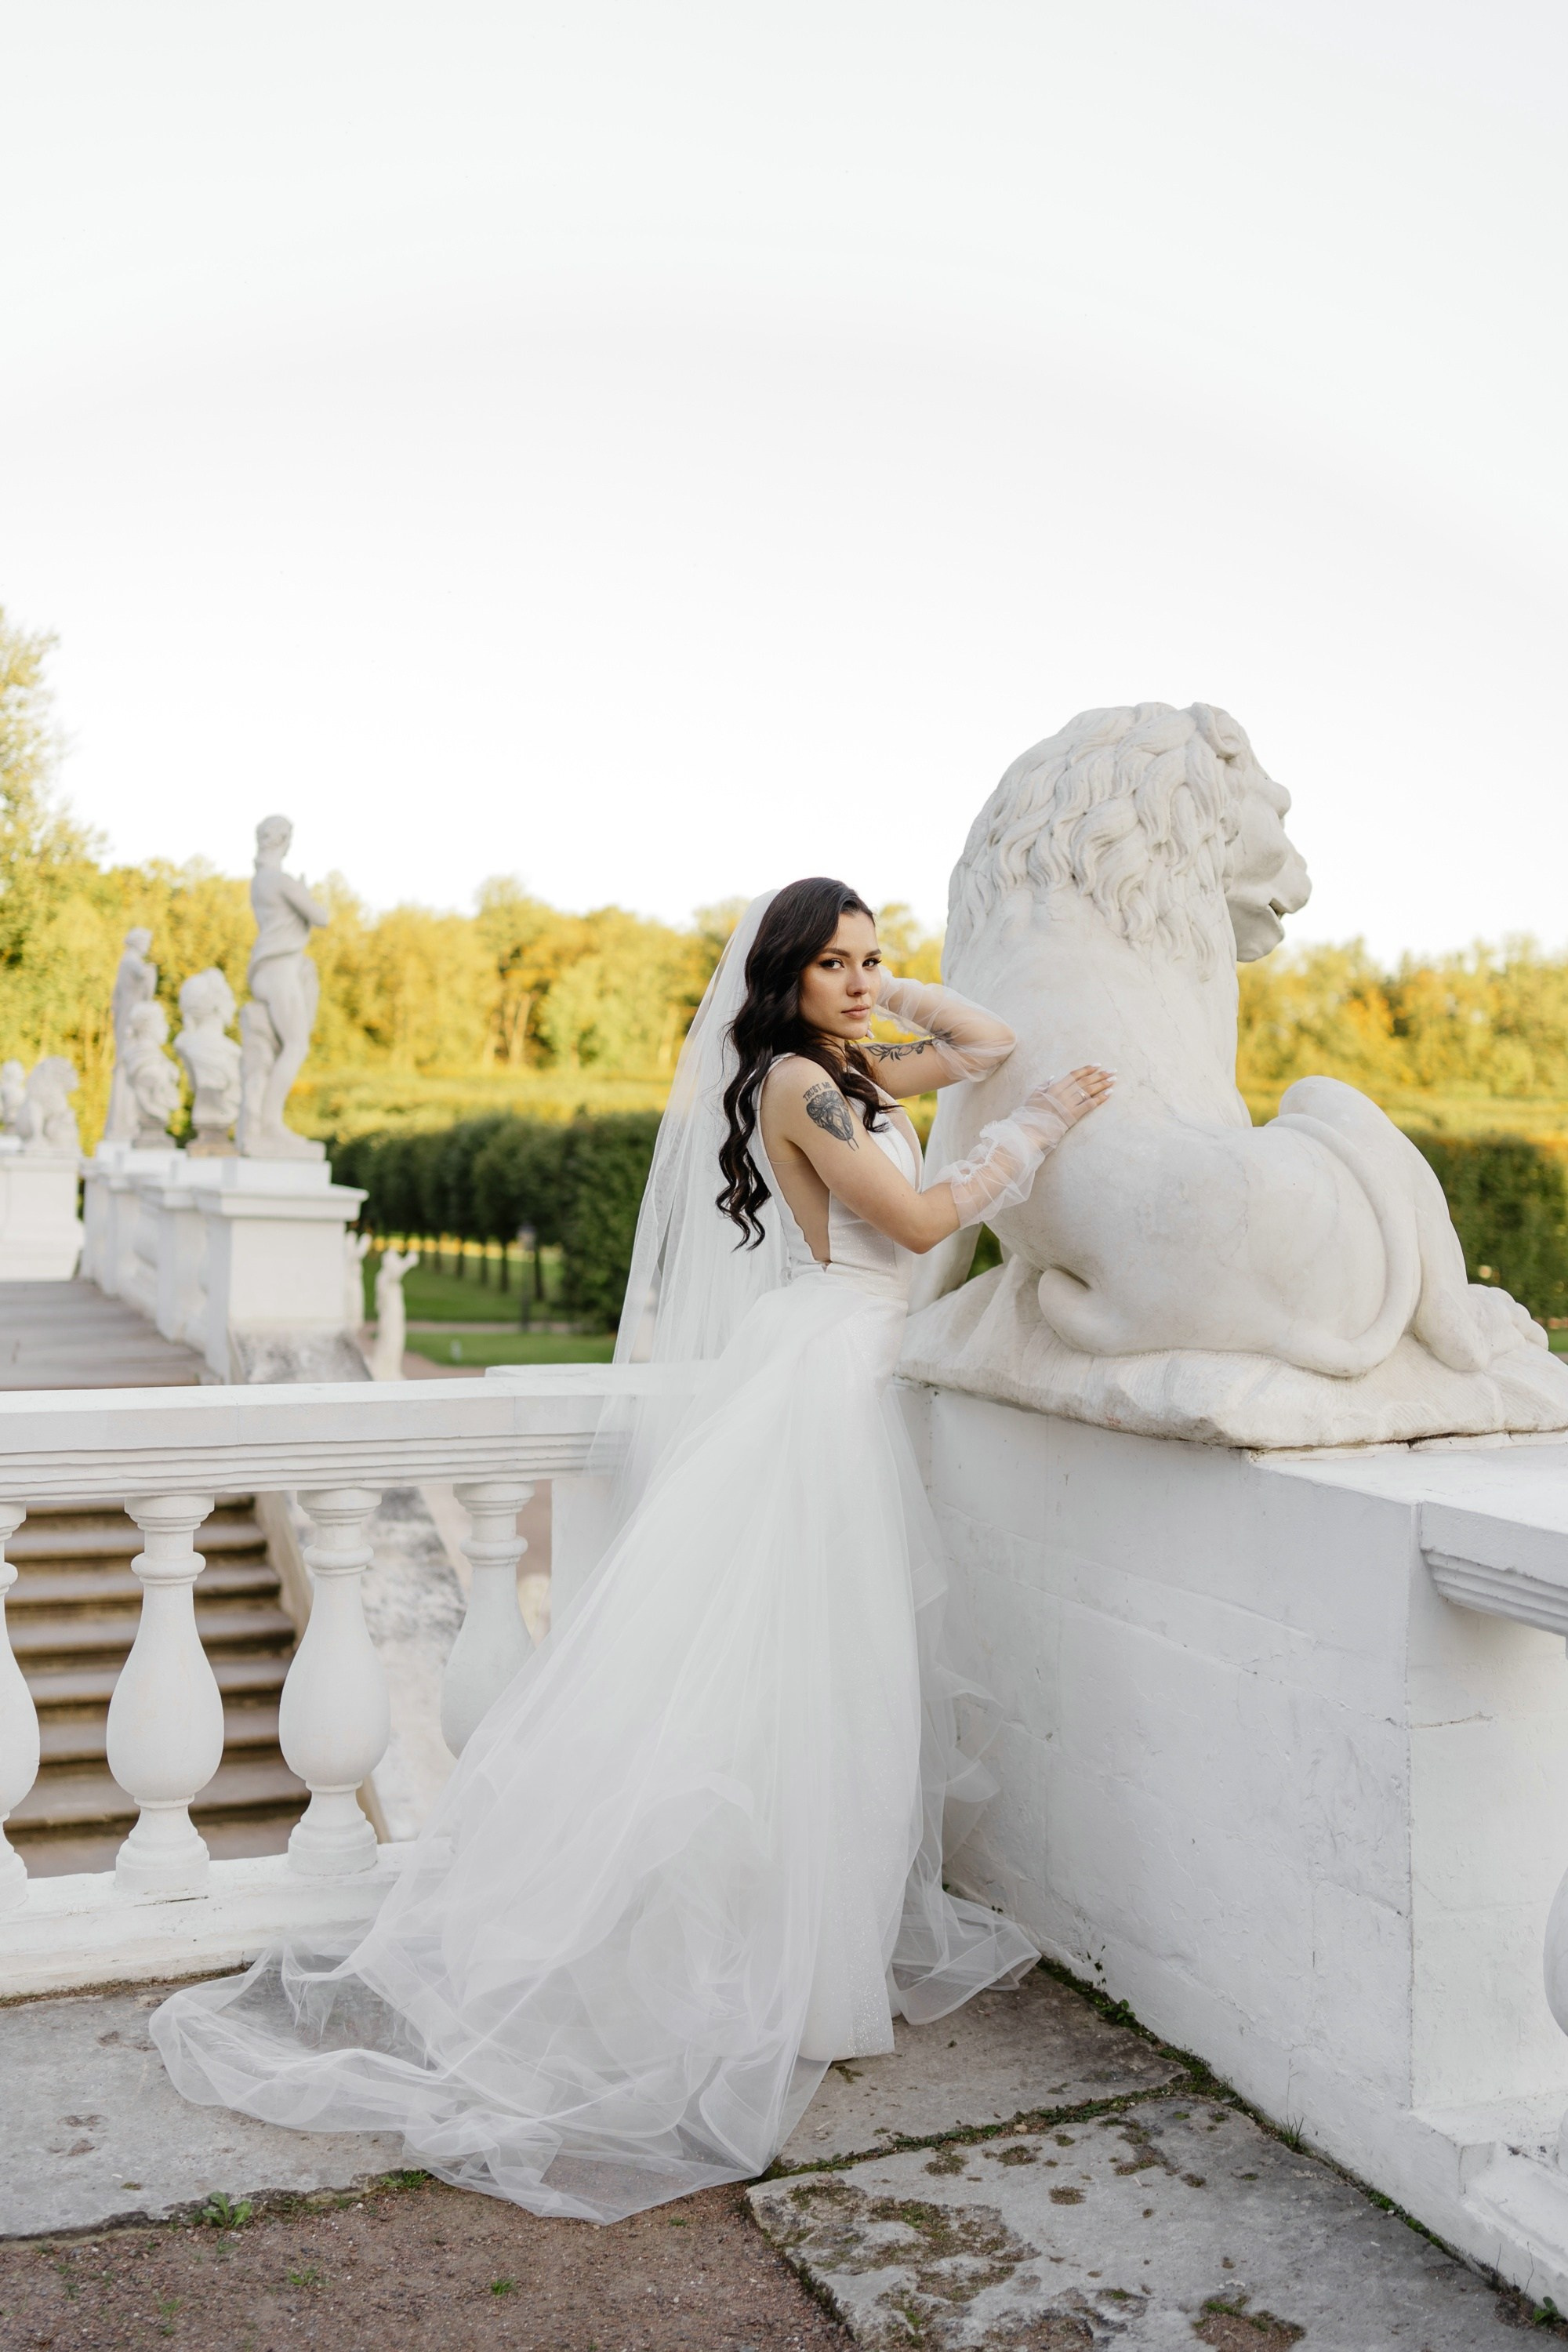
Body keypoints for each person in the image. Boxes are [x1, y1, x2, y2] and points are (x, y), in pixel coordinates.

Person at [151, 879, 1113, 2222]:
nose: (857, 980)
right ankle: (763, 1971)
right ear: (778, 978)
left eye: (868, 958)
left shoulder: (849, 1058)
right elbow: (920, 1222)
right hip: (830, 1375)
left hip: (843, 1368)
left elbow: (987, 1039)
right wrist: (1039, 1134)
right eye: (830, 962)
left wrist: (890, 990)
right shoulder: (800, 1085)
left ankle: (821, 1970)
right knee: (785, 1682)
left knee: (834, 1686)